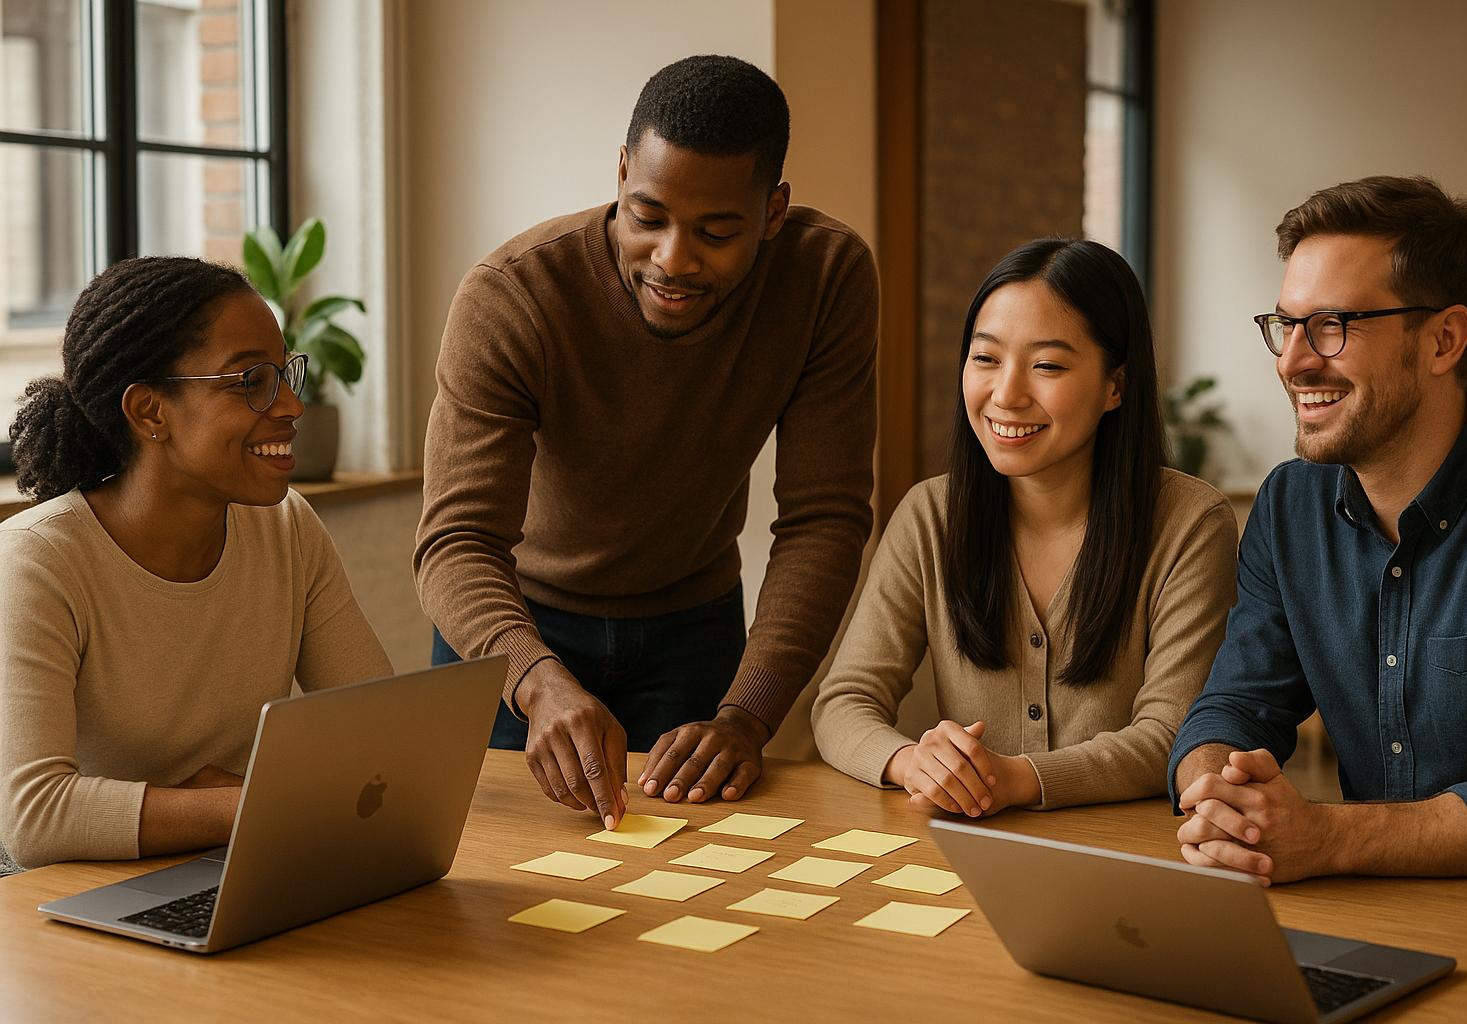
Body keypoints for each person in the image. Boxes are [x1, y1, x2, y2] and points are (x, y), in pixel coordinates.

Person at [416, 55, 876, 830]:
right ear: (622, 171)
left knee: (690, 883)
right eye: (647, 216)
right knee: (485, 885)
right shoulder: (513, 295)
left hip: (692, 626)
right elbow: (456, 540)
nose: (673, 259)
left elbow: (823, 519)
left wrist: (748, 714)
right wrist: (535, 679)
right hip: (513, 626)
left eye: (717, 231)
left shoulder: (825, 278)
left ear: (773, 210)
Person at [1169, 175, 1467, 882]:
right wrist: (1215, 792)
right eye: (1285, 324)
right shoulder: (1290, 505)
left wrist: (1327, 839)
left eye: (1332, 326)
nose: (1292, 360)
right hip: (1368, 915)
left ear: (1443, 339)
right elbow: (1237, 705)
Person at [812, 239, 1236, 815]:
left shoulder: (1189, 523)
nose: (1006, 395)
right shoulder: (930, 515)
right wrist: (914, 762)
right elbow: (844, 702)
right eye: (985, 359)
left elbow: (1171, 733)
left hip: (1125, 862)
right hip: (964, 858)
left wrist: (1017, 779)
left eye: (1047, 366)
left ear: (1116, 385)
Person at [0, 256, 392, 869]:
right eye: (251, 381)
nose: (290, 406)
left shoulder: (286, 528)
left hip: (219, 864)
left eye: (285, 375)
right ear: (150, 412)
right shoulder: (38, 561)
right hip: (62, 901)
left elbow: (380, 729)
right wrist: (255, 803)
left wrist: (241, 808)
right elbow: (35, 818)